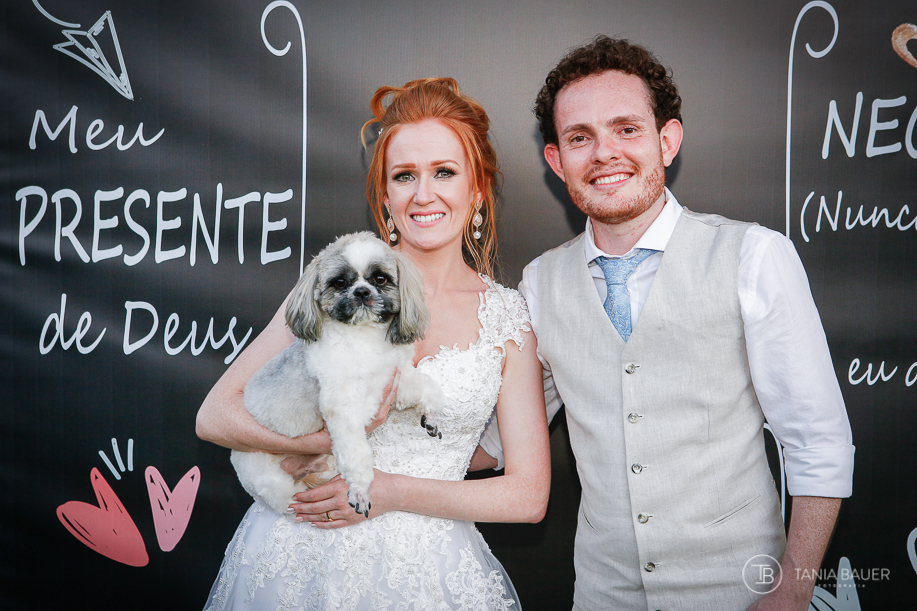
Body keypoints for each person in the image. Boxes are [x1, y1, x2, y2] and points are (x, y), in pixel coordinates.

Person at [478, 36, 854, 610]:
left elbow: (817, 440)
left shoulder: (754, 256)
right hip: (603, 595)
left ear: (667, 140)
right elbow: (506, 436)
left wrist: (794, 587)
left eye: (626, 129)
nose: (604, 153)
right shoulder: (538, 283)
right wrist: (368, 459)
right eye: (580, 138)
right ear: (556, 161)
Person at [196, 77, 550, 610]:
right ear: (385, 197)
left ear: (476, 190)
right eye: (404, 175)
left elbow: (527, 496)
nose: (423, 194)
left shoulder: (507, 320)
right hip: (293, 559)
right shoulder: (331, 288)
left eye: (444, 173)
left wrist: (387, 491)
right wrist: (318, 445)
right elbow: (214, 417)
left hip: (428, 574)